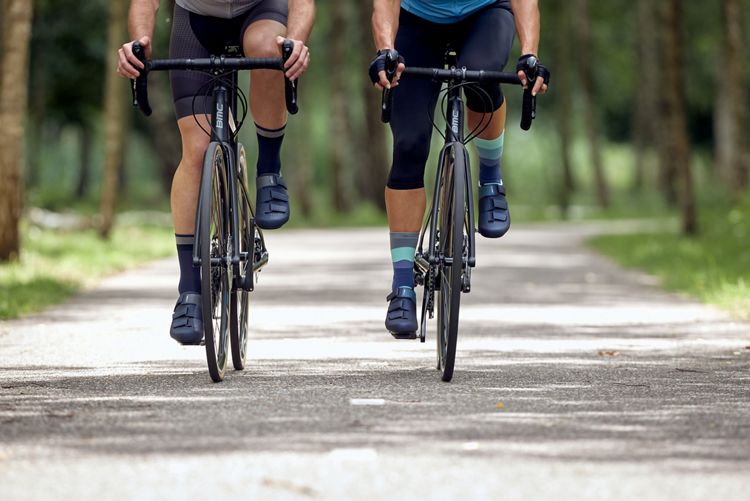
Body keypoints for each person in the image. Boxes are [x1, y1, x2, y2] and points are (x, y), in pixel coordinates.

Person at [117, 0, 315, 345]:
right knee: (196, 150)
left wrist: (295, 41)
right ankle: (189, 290)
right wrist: (139, 41)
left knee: (269, 48)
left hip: (260, 12)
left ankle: (269, 169)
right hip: (196, 20)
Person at [369, 0, 549, 337]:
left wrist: (529, 53)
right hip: (416, 19)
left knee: (482, 78)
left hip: (484, 13)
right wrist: (386, 50)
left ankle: (490, 180)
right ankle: (403, 284)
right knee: (409, 145)